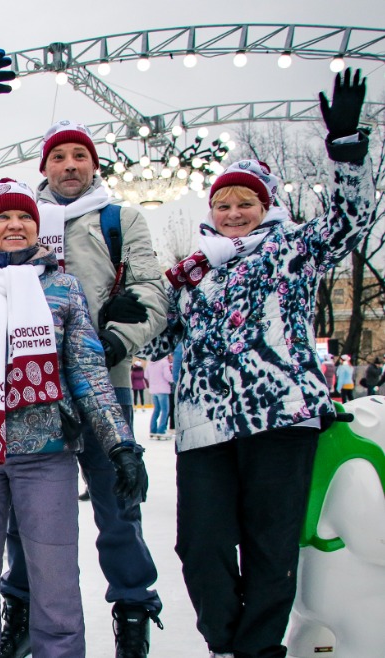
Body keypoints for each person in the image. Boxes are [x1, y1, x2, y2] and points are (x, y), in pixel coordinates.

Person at [144, 69, 373, 658]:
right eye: (223, 203)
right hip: (205, 428)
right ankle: (227, 641)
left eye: (245, 202)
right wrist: (131, 310)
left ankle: (256, 651)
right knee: (200, 545)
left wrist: (345, 153)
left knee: (271, 547)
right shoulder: (191, 272)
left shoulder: (293, 248)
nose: (233, 212)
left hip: (280, 417)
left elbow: (349, 223)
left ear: (265, 205)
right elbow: (156, 345)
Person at [0, 79, 167, 656]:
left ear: (94, 165)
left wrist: (117, 339)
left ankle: (133, 605)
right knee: (23, 517)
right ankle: (20, 608)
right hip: (26, 398)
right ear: (45, 167)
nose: (69, 165)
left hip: (97, 378)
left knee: (117, 506)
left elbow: (151, 290)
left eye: (79, 156)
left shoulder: (118, 219)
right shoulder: (23, 216)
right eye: (58, 157)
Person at [0, 178, 147, 658]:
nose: (14, 225)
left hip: (46, 456)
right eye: (3, 217)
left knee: (56, 592)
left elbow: (88, 373)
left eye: (24, 218)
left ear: (38, 229)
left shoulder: (62, 290)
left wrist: (121, 445)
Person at [145, 356, 173, 439]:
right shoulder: (164, 362)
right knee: (165, 411)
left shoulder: (149, 362)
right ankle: (161, 430)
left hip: (153, 390)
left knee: (156, 410)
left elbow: (146, 375)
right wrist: (174, 378)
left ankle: (152, 430)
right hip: (163, 389)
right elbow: (167, 376)